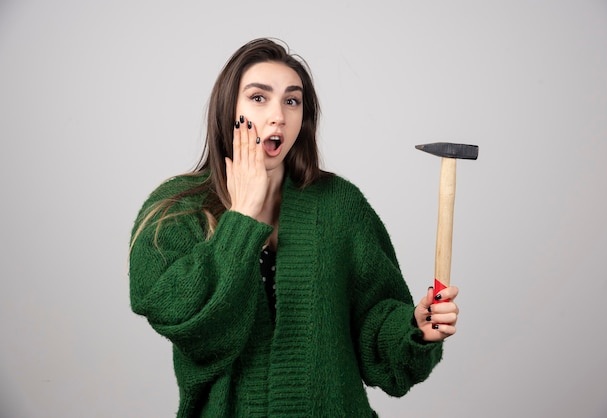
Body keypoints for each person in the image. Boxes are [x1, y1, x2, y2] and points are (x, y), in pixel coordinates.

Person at [128, 37, 459, 417]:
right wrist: (242, 218)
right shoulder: (177, 208)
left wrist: (415, 329)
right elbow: (185, 322)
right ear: (227, 110)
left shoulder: (339, 203)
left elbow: (379, 332)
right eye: (258, 97)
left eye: (292, 100)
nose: (278, 116)